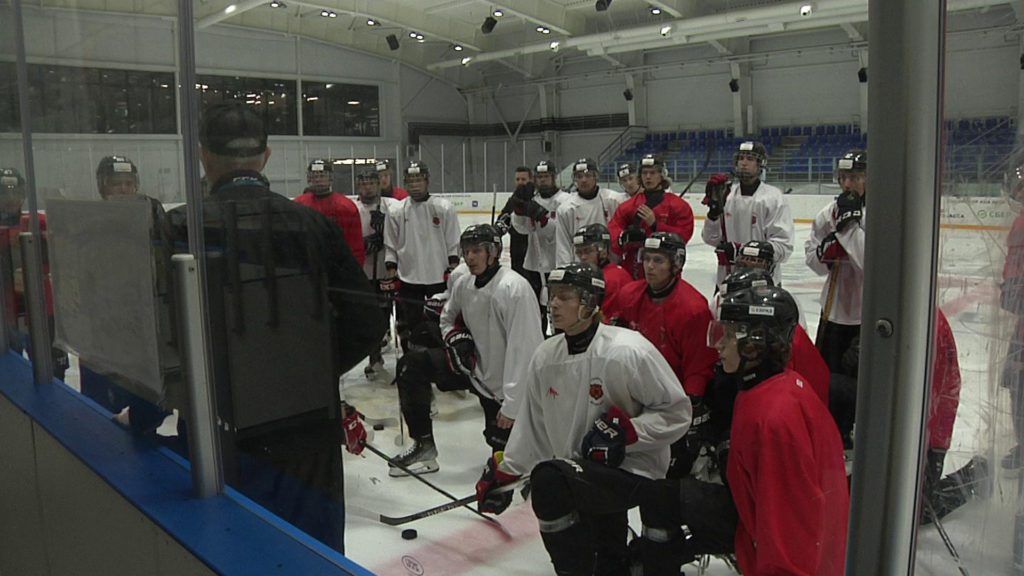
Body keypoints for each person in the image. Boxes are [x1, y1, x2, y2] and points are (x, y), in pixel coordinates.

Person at [176, 101, 385, 553]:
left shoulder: (181, 228)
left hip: (219, 431)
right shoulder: (312, 225)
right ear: (266, 156)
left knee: (227, 552)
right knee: (311, 553)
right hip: (306, 429)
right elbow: (368, 320)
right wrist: (307, 367)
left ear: (203, 157)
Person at [475, 262, 691, 575]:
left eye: (565, 296)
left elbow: (676, 411)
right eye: (553, 295)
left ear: (590, 303)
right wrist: (506, 472)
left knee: (550, 481)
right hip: (581, 473)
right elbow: (533, 427)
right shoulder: (546, 355)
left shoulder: (627, 351)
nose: (554, 304)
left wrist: (629, 434)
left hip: (634, 471)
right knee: (607, 558)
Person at [706, 284, 848, 575]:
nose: (719, 344)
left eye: (730, 335)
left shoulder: (774, 419)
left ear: (755, 345)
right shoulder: (774, 386)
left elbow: (790, 529)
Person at [390, 224, 543, 475]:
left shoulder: (514, 289)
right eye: (466, 251)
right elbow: (447, 318)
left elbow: (526, 351)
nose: (470, 257)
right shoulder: (464, 284)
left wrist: (513, 406)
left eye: (477, 251)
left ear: (493, 252)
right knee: (411, 365)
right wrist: (457, 338)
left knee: (505, 458)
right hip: (472, 369)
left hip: (502, 389)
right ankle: (424, 445)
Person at [603, 232, 718, 477]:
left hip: (669, 399)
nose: (650, 267)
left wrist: (691, 403)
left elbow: (699, 364)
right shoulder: (629, 295)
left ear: (675, 265)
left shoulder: (693, 309)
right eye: (647, 259)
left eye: (658, 261)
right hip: (635, 394)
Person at [383, 160, 461, 352]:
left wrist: (452, 268)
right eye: (410, 181)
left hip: (438, 277)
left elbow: (453, 243)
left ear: (427, 181)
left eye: (418, 180)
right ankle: (413, 361)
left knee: (440, 323)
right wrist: (392, 272)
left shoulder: (443, 207)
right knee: (412, 325)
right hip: (409, 279)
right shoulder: (396, 210)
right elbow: (391, 245)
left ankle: (439, 360)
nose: (414, 185)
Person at [804, 149, 866, 374]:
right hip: (832, 312)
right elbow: (813, 261)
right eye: (844, 178)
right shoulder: (827, 214)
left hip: (866, 314)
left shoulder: (880, 214)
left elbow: (875, 267)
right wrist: (825, 256)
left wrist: (849, 230)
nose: (848, 184)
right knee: (825, 375)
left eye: (855, 178)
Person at [701, 141, 794, 285]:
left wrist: (742, 252)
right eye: (741, 158)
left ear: (760, 164)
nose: (744, 163)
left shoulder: (774, 198)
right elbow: (710, 239)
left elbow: (783, 246)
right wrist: (713, 213)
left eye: (750, 159)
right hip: (727, 281)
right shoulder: (726, 194)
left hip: (763, 282)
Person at [608, 154, 694, 279]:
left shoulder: (678, 205)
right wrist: (624, 237)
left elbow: (683, 235)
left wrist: (656, 225)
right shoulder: (627, 206)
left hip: (666, 271)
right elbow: (613, 231)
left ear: (662, 175)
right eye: (644, 173)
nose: (648, 177)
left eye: (653, 173)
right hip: (634, 270)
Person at [511, 160, 571, 331]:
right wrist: (519, 212)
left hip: (556, 262)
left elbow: (556, 233)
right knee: (534, 309)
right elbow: (522, 230)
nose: (543, 180)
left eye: (546, 176)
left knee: (558, 305)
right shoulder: (532, 199)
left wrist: (542, 218)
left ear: (553, 177)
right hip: (533, 263)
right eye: (539, 177)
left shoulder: (565, 200)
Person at [354, 166, 399, 377]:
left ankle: (380, 350)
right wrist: (365, 244)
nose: (368, 187)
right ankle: (374, 356)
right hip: (363, 272)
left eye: (371, 183)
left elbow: (402, 237)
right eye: (363, 184)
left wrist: (386, 236)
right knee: (368, 315)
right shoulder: (352, 208)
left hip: (387, 271)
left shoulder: (393, 207)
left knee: (385, 311)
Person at [554, 157, 627, 268]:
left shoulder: (614, 200)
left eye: (588, 176)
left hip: (611, 265)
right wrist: (566, 270)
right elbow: (563, 245)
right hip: (581, 267)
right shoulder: (565, 209)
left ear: (596, 177)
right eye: (579, 176)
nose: (584, 180)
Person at [294, 159, 366, 267]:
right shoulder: (299, 204)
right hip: (308, 267)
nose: (318, 180)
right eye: (314, 176)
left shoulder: (346, 206)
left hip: (338, 266)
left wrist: (356, 272)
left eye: (322, 176)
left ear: (330, 178)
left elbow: (355, 245)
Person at [572, 223, 631, 306]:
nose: (583, 257)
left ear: (603, 251)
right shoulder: (591, 275)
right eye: (579, 252)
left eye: (588, 251)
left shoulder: (614, 278)